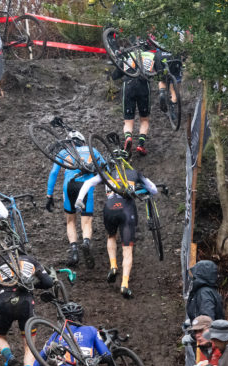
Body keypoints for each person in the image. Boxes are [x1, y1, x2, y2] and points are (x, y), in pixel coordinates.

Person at [75, 165, 158, 298]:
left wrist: (79, 199)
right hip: (127, 210)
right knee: (127, 249)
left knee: (111, 236)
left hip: (110, 209)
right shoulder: (135, 172)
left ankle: (113, 266)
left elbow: (88, 182)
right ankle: (124, 284)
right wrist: (139, 188)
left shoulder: (107, 173)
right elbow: (154, 190)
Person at [45, 130, 103, 268]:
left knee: (70, 220)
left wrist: (49, 195)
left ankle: (74, 251)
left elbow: (53, 173)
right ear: (82, 141)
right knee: (87, 221)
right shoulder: (92, 150)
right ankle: (86, 242)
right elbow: (105, 168)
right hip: (86, 187)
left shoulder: (64, 152)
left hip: (69, 186)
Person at [109, 44, 163, 156]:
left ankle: (128, 138)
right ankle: (141, 145)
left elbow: (115, 75)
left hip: (128, 85)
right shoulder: (152, 55)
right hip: (144, 85)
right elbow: (160, 73)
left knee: (128, 121)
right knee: (144, 119)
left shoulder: (127, 55)